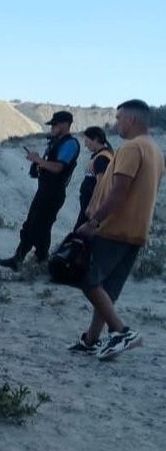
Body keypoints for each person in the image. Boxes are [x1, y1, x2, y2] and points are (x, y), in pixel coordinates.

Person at [68, 99, 164, 359]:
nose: (116, 122)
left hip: (114, 228)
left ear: (132, 120)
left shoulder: (132, 148)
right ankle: (91, 340)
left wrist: (94, 222)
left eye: (119, 117)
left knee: (86, 278)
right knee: (107, 291)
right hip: (136, 230)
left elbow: (119, 191)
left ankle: (121, 332)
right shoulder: (154, 150)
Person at [0, 111, 80, 271]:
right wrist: (37, 163)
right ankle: (41, 259)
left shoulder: (70, 143)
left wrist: (38, 160)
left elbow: (58, 167)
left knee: (35, 225)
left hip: (53, 192)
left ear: (65, 124)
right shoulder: (55, 143)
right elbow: (47, 166)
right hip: (45, 190)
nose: (52, 128)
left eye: (55, 124)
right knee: (41, 226)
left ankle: (19, 258)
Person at [74, 126, 115, 230]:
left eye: (87, 141)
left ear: (96, 139)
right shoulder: (101, 155)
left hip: (92, 205)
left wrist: (92, 205)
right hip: (89, 203)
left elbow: (100, 184)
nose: (85, 144)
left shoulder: (102, 158)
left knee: (80, 233)